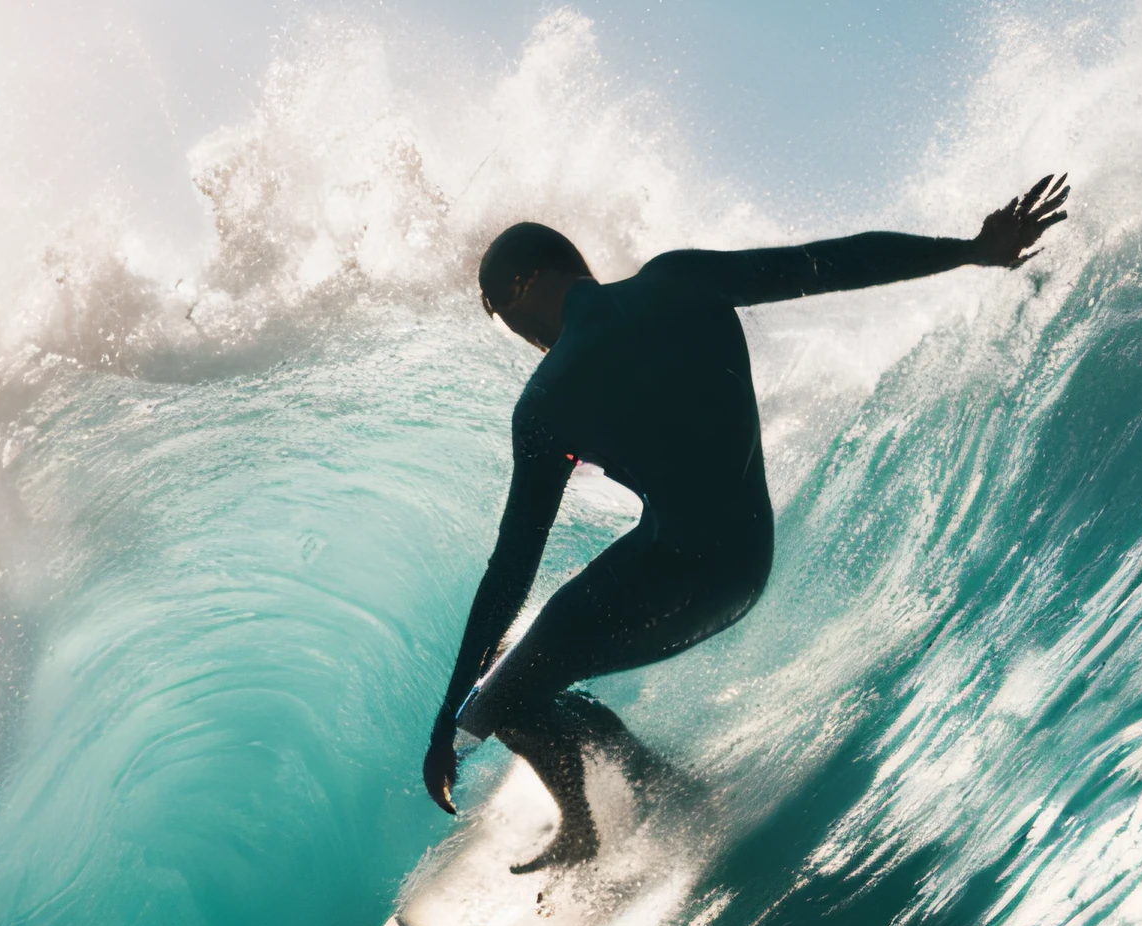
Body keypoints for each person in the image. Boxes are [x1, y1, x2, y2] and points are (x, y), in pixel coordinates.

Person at [428, 176, 1071, 867]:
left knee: (492, 704)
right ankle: (652, 800)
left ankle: (609, 818)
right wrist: (972, 250)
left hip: (673, 568)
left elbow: (512, 564)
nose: (513, 333)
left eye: (499, 313)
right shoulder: (678, 280)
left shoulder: (547, 399)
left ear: (523, 286)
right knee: (532, 678)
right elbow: (830, 262)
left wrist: (446, 722)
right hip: (742, 563)